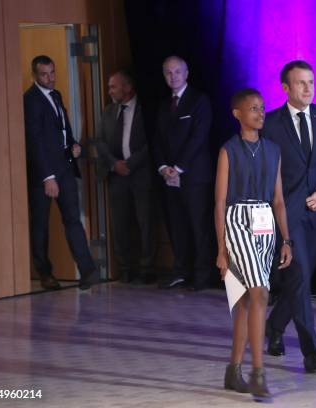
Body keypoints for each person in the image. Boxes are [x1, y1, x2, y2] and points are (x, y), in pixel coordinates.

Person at [262, 60, 316, 372]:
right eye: (301, 83)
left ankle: (273, 329)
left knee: (301, 281)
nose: (308, 88)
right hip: (285, 216)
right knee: (299, 279)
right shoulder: (270, 124)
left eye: (311, 81)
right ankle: (312, 353)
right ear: (286, 88)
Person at [215, 88, 292, 402]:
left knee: (247, 301)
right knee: (260, 292)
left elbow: (278, 201)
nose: (260, 113)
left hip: (264, 224)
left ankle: (233, 371)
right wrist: (221, 248)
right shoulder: (228, 150)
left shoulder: (273, 150)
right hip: (237, 220)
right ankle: (259, 374)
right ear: (237, 114)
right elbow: (219, 202)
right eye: (252, 109)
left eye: (262, 108)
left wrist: (285, 239)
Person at [23, 55, 97, 291]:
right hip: (44, 175)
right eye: (44, 74)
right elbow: (34, 141)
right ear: (35, 75)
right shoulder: (30, 100)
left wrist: (73, 145)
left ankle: (87, 270)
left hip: (65, 169)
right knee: (41, 225)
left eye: (52, 72)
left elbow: (62, 130)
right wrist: (48, 177)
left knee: (73, 220)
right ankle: (45, 273)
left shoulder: (56, 95)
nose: (50, 78)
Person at [153, 55, 215, 291]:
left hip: (194, 176)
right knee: (177, 225)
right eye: (168, 72)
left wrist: (178, 167)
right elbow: (157, 139)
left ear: (186, 74)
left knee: (198, 226)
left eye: (177, 72)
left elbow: (198, 138)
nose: (173, 76)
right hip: (169, 177)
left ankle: (202, 274)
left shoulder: (199, 100)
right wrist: (163, 168)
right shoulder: (163, 105)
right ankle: (180, 271)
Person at [95, 69, 156, 284]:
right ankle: (126, 268)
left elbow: (153, 141)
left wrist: (131, 164)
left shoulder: (145, 109)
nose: (109, 90)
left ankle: (147, 268)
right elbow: (100, 141)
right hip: (116, 175)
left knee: (145, 222)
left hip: (140, 174)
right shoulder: (109, 111)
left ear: (127, 88)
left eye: (113, 86)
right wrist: (114, 164)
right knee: (119, 224)